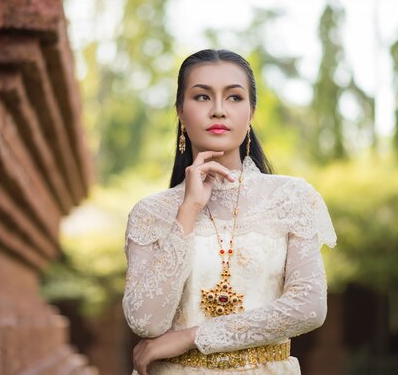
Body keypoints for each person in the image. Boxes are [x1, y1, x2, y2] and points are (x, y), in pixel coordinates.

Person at [122, 49, 336, 375]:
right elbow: (145, 321)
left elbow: (309, 307)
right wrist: (189, 210)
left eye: (234, 97)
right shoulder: (151, 213)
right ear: (181, 111)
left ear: (251, 112)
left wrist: (194, 337)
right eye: (202, 96)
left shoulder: (292, 199)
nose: (219, 110)